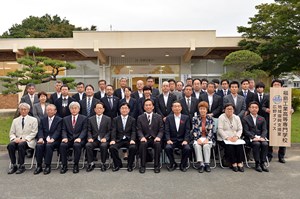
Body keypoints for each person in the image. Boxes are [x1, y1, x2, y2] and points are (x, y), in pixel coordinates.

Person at [262, 79, 294, 163]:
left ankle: (281, 156)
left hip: (283, 120)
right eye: (275, 84)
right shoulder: (267, 96)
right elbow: (262, 107)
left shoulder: (286, 95)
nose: (276, 86)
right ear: (272, 86)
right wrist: (266, 109)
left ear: (281, 86)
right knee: (269, 138)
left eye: (278, 84)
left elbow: (291, 107)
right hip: (271, 121)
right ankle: (269, 155)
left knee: (283, 138)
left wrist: (291, 110)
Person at [7, 103, 38, 174]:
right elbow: (12, 133)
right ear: (19, 110)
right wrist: (14, 139)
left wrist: (25, 139)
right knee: (10, 145)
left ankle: (21, 165)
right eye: (21, 109)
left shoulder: (33, 120)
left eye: (25, 109)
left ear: (28, 110)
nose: (23, 111)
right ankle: (14, 165)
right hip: (17, 140)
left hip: (28, 141)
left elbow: (34, 132)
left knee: (21, 145)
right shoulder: (15, 120)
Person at [137, 99, 164, 173]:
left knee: (158, 144)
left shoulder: (158, 117)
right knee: (142, 144)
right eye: (146, 105)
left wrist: (158, 137)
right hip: (145, 138)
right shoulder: (140, 117)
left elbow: (161, 129)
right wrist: (142, 137)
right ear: (144, 107)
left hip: (155, 138)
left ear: (153, 107)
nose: (148, 107)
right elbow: (139, 130)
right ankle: (142, 166)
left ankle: (156, 166)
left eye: (150, 105)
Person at [34, 104, 62, 175]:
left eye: (51, 110)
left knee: (49, 146)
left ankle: (47, 165)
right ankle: (39, 165)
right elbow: (40, 130)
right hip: (44, 139)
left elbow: (58, 131)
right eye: (48, 110)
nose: (49, 111)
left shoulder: (59, 120)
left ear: (55, 111)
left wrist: (53, 139)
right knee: (39, 146)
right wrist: (40, 138)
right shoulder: (43, 120)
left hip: (55, 140)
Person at [60, 102, 87, 174]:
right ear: (69, 110)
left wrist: (80, 138)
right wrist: (65, 137)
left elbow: (84, 130)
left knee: (77, 145)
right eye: (72, 108)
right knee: (62, 145)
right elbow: (63, 130)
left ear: (79, 109)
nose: (74, 110)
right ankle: (64, 165)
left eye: (75, 108)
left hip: (79, 139)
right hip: (68, 139)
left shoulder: (84, 118)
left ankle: (76, 164)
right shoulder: (65, 119)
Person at [109, 102, 137, 172]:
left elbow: (134, 131)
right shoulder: (115, 119)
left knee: (133, 147)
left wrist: (133, 139)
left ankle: (130, 165)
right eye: (122, 108)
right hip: (119, 139)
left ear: (129, 110)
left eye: (126, 108)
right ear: (120, 110)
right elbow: (113, 130)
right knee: (112, 147)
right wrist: (113, 139)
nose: (124, 110)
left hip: (129, 139)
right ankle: (118, 164)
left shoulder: (132, 119)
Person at [242, 101, 269, 172]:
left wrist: (262, 137)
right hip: (249, 138)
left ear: (258, 109)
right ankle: (257, 163)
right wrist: (253, 137)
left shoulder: (262, 118)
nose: (254, 109)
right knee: (256, 144)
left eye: (256, 107)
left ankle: (262, 163)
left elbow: (264, 130)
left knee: (265, 144)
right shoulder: (245, 119)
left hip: (260, 138)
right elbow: (246, 131)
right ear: (249, 109)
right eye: (252, 107)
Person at [164, 101, 191, 172]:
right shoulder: (168, 118)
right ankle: (173, 163)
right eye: (175, 106)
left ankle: (183, 164)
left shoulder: (186, 118)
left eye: (178, 106)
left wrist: (186, 140)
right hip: (172, 140)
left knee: (187, 148)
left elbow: (187, 130)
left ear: (181, 108)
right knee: (168, 148)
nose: (177, 108)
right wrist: (168, 139)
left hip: (183, 140)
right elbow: (166, 130)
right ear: (172, 108)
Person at [218, 103, 245, 172]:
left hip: (235, 137)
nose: (229, 110)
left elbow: (240, 129)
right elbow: (220, 129)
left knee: (239, 145)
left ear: (234, 110)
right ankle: (233, 163)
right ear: (224, 110)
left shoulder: (237, 117)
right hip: (224, 138)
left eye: (231, 109)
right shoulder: (221, 117)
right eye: (228, 109)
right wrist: (227, 138)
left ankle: (239, 162)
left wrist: (237, 136)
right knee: (230, 146)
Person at [86, 102, 111, 172]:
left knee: (103, 146)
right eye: (97, 108)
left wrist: (105, 138)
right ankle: (91, 163)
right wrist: (90, 138)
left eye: (101, 108)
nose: (99, 110)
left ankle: (103, 163)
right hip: (94, 139)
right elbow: (89, 130)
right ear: (94, 109)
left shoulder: (108, 119)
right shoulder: (90, 119)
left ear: (103, 109)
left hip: (103, 139)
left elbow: (109, 131)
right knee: (88, 145)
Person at [191, 101, 215, 173]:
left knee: (206, 146)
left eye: (204, 109)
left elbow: (211, 130)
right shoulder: (195, 118)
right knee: (197, 146)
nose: (202, 110)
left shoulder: (210, 119)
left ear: (206, 110)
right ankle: (201, 164)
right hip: (198, 137)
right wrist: (197, 139)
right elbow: (194, 130)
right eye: (201, 109)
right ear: (199, 110)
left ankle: (207, 164)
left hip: (208, 138)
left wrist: (207, 139)